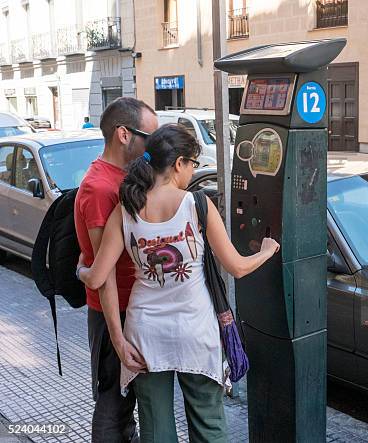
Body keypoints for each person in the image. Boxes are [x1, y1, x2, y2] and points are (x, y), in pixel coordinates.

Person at [76, 124, 281, 442]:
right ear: (178, 163)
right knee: (208, 424)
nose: (192, 171)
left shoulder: (125, 210)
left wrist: (81, 270)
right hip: (195, 332)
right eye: (193, 164)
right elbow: (237, 268)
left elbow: (99, 278)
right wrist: (266, 252)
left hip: (145, 334)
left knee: (156, 429)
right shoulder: (197, 205)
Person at [74, 97, 158, 442]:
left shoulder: (124, 177)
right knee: (113, 405)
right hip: (114, 312)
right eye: (149, 138)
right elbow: (103, 272)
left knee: (129, 408)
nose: (153, 147)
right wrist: (118, 339)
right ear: (124, 134)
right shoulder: (99, 188)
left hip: (134, 307)